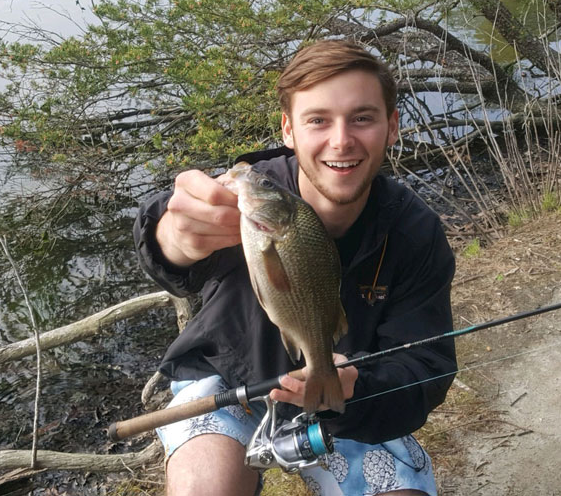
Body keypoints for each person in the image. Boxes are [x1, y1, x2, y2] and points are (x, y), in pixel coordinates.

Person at [133, 40, 456, 496]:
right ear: (288, 129)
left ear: (392, 126)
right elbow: (171, 259)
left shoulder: (416, 232)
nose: (341, 140)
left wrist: (353, 387)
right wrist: (170, 236)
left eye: (362, 117)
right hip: (228, 383)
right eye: (318, 120)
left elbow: (427, 366)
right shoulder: (243, 201)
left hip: (343, 397)